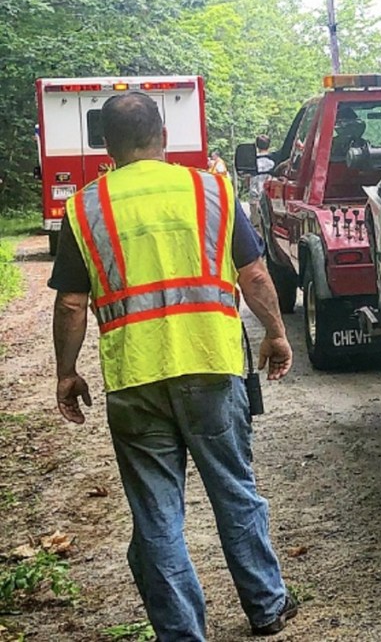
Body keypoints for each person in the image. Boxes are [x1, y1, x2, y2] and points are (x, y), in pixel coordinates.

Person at [48, 92, 298, 639]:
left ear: (105, 145)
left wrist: (66, 374)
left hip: (135, 379)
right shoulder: (210, 189)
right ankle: (267, 606)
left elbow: (70, 303)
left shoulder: (86, 208)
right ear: (162, 135)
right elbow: (254, 276)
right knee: (235, 489)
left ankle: (183, 634)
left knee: (157, 516)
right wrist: (276, 333)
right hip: (210, 365)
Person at [252, 134, 275, 198]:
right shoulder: (273, 160)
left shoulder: (253, 160)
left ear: (257, 145)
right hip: (268, 193)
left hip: (254, 192)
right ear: (269, 145)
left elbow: (248, 177)